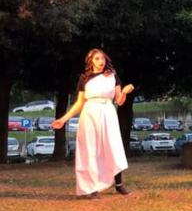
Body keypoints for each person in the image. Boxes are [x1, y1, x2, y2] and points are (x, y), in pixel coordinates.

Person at [52, 49, 134, 197]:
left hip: (108, 112)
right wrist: (63, 119)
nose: (101, 61)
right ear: (91, 61)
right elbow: (79, 103)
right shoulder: (84, 78)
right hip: (90, 113)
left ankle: (119, 184)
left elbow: (119, 101)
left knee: (113, 146)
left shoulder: (112, 76)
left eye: (102, 58)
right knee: (90, 150)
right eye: (97, 59)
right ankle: (92, 188)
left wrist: (125, 93)